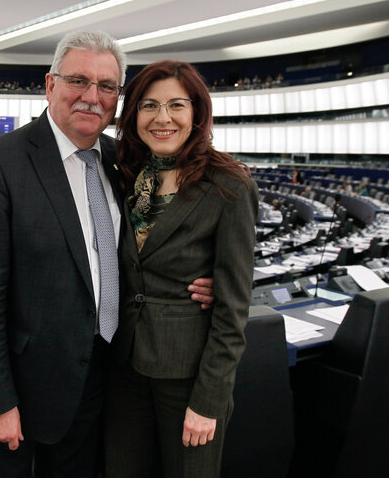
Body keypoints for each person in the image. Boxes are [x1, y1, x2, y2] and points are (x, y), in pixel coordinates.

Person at [0, 31, 214, 478]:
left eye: (107, 86)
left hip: (107, 375)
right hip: (25, 385)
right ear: (50, 84)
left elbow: (146, 251)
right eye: (78, 80)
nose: (92, 97)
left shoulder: (126, 160)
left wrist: (202, 281)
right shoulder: (0, 160)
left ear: (118, 97)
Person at [105, 60, 258, 478]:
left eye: (176, 105)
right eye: (149, 106)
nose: (163, 118)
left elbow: (232, 311)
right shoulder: (127, 175)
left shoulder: (229, 187)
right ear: (133, 114)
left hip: (188, 375)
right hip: (124, 367)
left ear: (197, 113)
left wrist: (209, 400)